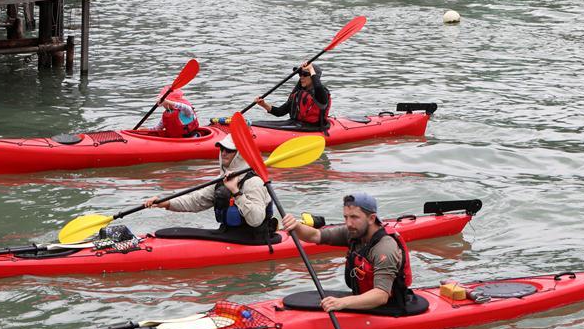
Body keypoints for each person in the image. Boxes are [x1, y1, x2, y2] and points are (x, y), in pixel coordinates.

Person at [281, 192, 413, 312]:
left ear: (372, 218)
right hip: (363, 298)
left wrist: (341, 303)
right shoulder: (353, 232)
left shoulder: (384, 247)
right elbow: (314, 236)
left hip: (390, 306)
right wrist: (296, 226)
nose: (349, 223)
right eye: (346, 217)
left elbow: (381, 295)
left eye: (354, 217)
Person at [143, 134, 275, 244]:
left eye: (229, 150)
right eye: (222, 149)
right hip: (228, 234)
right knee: (168, 233)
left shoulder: (254, 182)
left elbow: (256, 219)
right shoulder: (222, 179)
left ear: (239, 154)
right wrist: (166, 203)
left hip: (255, 239)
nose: (223, 153)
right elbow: (196, 200)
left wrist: (236, 192)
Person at [253, 62, 331, 130]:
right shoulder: (298, 93)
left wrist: (311, 68)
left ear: (314, 77)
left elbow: (318, 87)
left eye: (305, 74)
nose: (301, 77)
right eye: (300, 74)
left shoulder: (322, 93)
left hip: (314, 128)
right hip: (295, 125)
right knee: (256, 123)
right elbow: (280, 112)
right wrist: (263, 104)